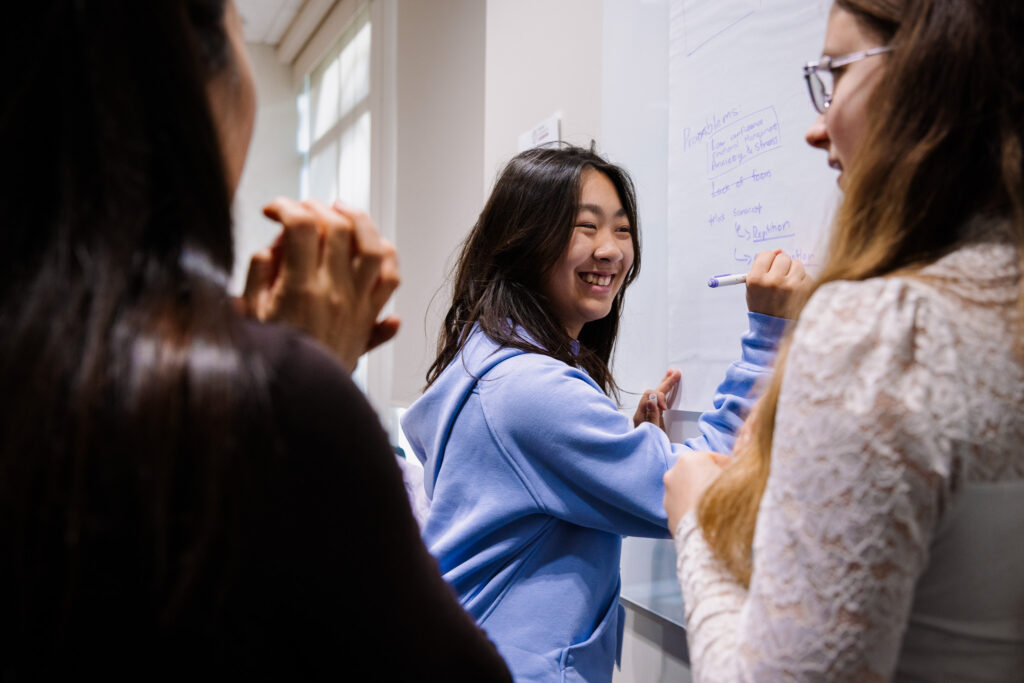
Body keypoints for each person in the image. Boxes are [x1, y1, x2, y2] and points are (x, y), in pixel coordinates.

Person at [0, 1, 512, 679]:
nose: (609, 248)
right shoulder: (268, 401)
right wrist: (290, 390)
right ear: (190, 76)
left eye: (620, 228)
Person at [663, 0, 1024, 680]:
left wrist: (695, 523)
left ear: (928, 72)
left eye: (834, 73)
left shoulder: (881, 329)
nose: (817, 126)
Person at [400, 145, 809, 681]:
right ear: (524, 240)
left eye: (621, 229)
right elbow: (706, 488)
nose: (611, 250)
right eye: (585, 228)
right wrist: (770, 335)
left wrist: (620, 443)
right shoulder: (528, 389)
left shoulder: (486, 356)